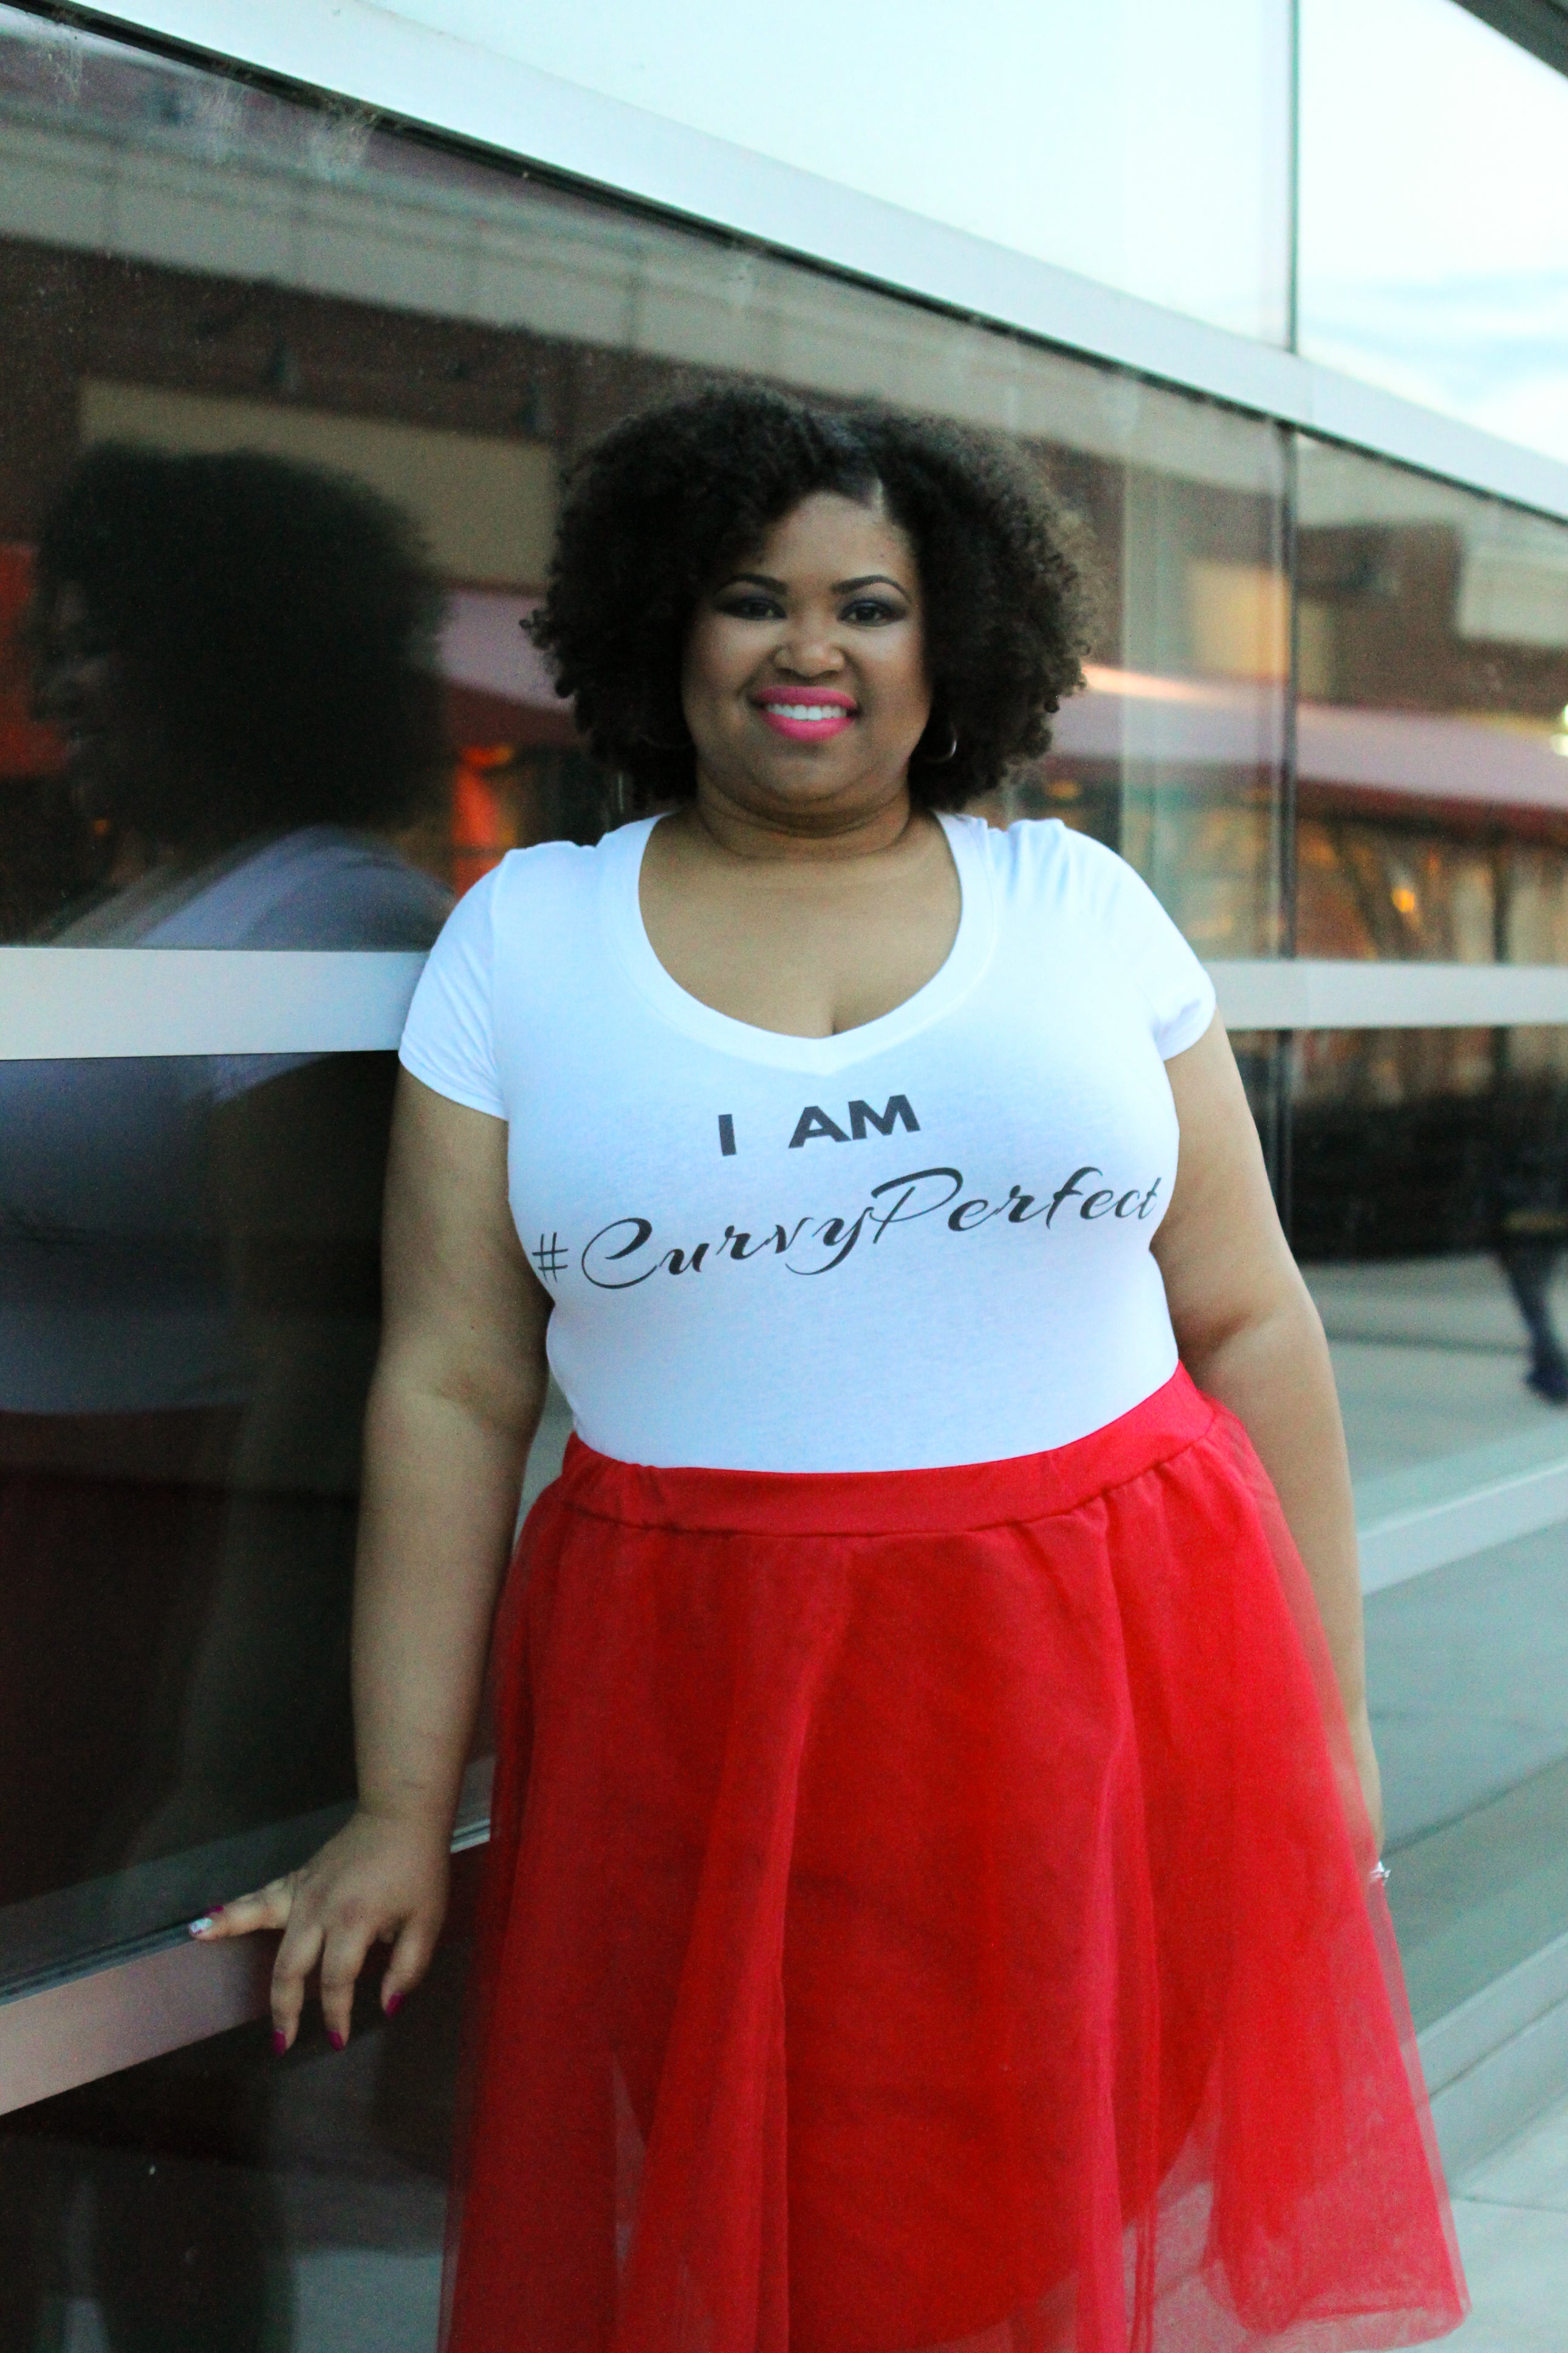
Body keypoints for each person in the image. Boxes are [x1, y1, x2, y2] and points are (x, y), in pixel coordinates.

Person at [200, 388, 1467, 2351]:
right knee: (799, 2211)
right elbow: (452, 1385)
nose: (812, 648)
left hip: (1114, 1650)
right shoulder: (525, 941)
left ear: (956, 639)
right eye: (750, 598)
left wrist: (1335, 1722)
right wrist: (393, 1804)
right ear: (661, 625)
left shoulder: (1080, 909)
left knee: (1068, 2186)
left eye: (870, 604)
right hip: (705, 1685)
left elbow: (1251, 1317)